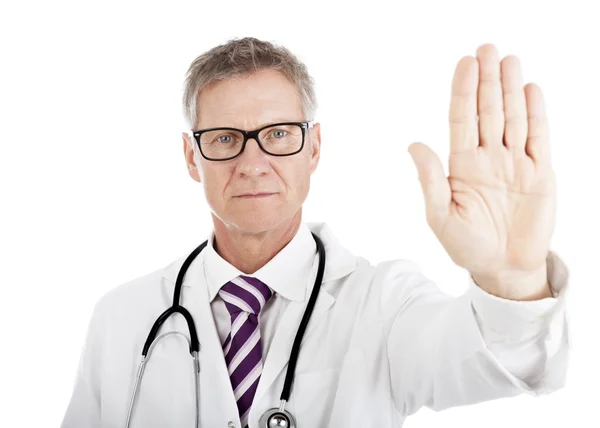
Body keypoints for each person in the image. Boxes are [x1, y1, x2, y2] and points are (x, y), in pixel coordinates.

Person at [61, 37, 570, 428]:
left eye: (279, 134)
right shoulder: (122, 318)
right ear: (193, 157)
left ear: (315, 148)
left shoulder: (385, 303)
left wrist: (513, 279)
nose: (253, 162)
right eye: (224, 138)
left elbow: (494, 358)